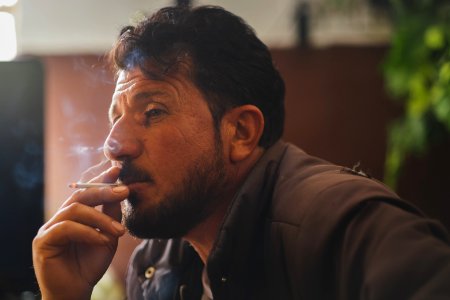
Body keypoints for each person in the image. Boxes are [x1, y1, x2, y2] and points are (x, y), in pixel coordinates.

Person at [32, 5, 450, 300]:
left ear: (241, 132)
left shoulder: (341, 225)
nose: (114, 145)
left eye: (153, 111)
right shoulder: (158, 261)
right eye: (115, 117)